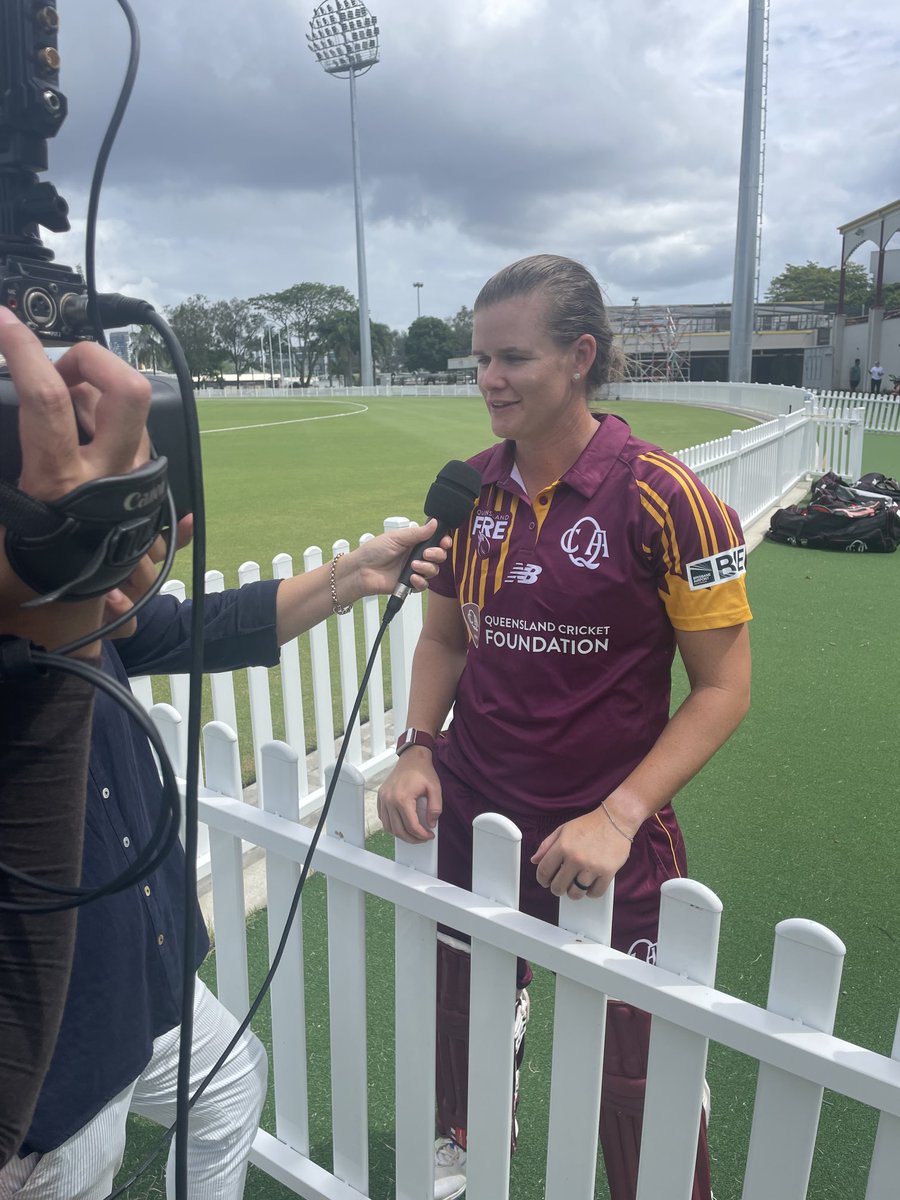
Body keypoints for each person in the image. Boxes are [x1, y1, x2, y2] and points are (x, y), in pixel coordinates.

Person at [0, 333, 451, 1199]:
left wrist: (352, 574)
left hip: (145, 988)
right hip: (52, 1071)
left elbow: (191, 625)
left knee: (233, 1082)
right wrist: (53, 582)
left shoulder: (83, 614)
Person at [377, 254, 752, 1200]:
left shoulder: (669, 497)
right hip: (473, 816)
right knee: (456, 1019)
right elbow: (444, 640)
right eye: (479, 361)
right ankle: (458, 1161)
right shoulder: (468, 487)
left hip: (609, 835)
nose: (488, 381)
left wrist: (621, 816)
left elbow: (724, 689)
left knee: (637, 1064)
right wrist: (418, 746)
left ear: (580, 356)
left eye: (512, 359)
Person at [0, 306, 154, 1167]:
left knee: (235, 1081)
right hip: (60, 1093)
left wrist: (65, 595)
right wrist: (60, 583)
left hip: (126, 1004)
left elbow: (163, 627)